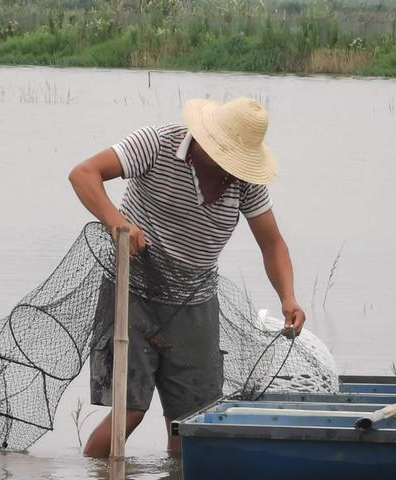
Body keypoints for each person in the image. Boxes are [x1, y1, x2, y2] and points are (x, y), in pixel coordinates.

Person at [68, 96, 306, 458]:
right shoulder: (157, 143)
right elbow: (84, 174)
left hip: (194, 301)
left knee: (191, 423)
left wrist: (288, 297)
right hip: (132, 290)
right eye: (225, 155)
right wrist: (120, 224)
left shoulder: (245, 181)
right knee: (130, 412)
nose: (230, 166)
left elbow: (272, 243)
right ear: (207, 139)